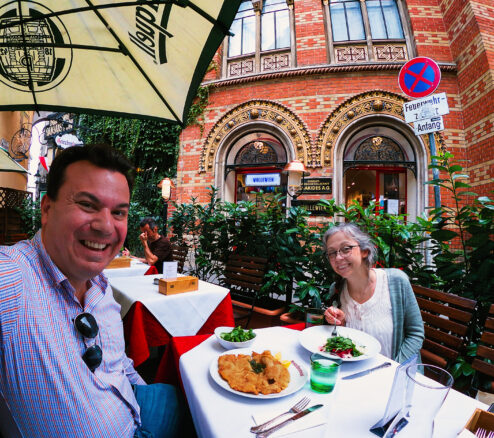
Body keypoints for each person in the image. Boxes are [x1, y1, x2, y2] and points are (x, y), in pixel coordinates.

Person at [0, 144, 183, 438]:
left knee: (196, 397)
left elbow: (119, 363)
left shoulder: (100, 286)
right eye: (87, 204)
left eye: (119, 212)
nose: (105, 226)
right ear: (47, 209)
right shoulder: (14, 279)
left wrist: (141, 397)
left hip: (136, 409)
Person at [322, 223, 424, 363]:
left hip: (395, 376)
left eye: (346, 249)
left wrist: (394, 369)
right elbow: (344, 343)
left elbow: (415, 334)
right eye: (332, 253)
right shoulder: (337, 289)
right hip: (354, 374)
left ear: (365, 251)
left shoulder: (396, 281)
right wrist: (340, 323)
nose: (338, 258)